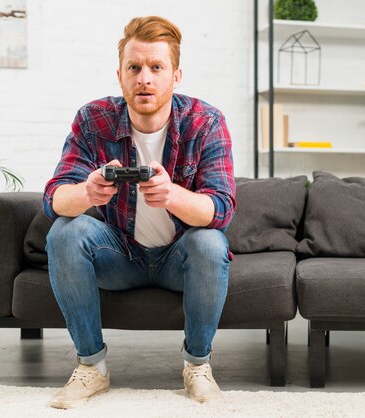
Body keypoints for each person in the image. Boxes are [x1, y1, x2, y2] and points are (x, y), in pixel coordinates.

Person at [42, 16, 236, 409]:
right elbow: (54, 199)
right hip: (121, 256)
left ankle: (197, 365)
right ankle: (92, 367)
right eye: (134, 68)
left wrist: (172, 195)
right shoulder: (93, 119)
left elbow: (221, 209)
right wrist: (88, 192)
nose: (144, 78)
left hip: (178, 258)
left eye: (156, 67)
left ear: (176, 76)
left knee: (210, 242)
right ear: (120, 75)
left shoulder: (205, 121)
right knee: (65, 232)